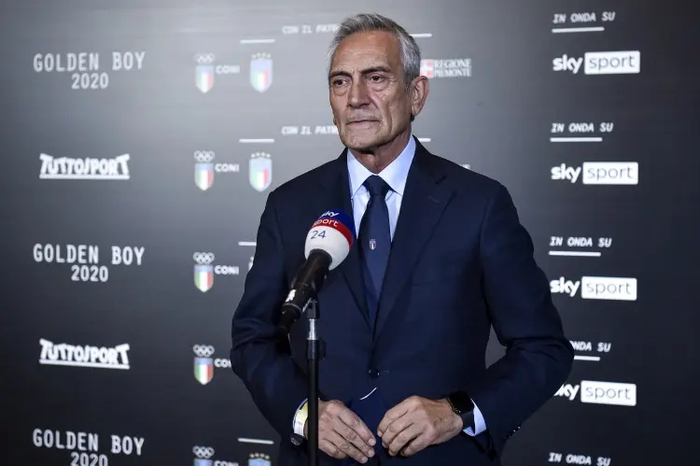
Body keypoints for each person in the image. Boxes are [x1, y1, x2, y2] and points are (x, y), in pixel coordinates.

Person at [231, 12, 573, 466]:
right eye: (340, 82)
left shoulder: (479, 205)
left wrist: (458, 412)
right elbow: (253, 337)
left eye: (376, 78)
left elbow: (543, 349)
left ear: (416, 94)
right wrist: (303, 413)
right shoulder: (289, 205)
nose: (356, 98)